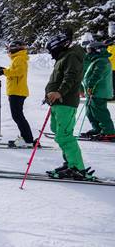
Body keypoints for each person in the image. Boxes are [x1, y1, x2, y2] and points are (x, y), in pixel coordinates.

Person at [44, 34, 95, 180]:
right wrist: (48, 94)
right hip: (58, 102)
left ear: (57, 47)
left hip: (65, 102)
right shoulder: (65, 56)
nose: (51, 54)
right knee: (57, 130)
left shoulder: (71, 56)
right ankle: (70, 162)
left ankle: (78, 168)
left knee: (64, 135)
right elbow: (57, 78)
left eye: (51, 50)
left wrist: (59, 92)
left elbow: (70, 77)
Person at [0, 41, 34, 147]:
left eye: (10, 48)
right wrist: (4, 70)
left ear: (15, 48)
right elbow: (15, 71)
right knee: (18, 116)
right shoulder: (18, 58)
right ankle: (26, 137)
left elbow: (19, 72)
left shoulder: (19, 58)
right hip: (16, 90)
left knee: (18, 116)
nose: (9, 50)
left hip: (17, 92)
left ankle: (27, 139)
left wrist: (5, 72)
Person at [80, 41, 115, 140]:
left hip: (98, 91)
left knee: (100, 112)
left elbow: (96, 75)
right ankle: (98, 129)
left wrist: (90, 86)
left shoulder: (102, 61)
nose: (88, 52)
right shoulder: (97, 60)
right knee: (90, 111)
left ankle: (109, 132)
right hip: (93, 92)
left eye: (90, 50)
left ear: (97, 50)